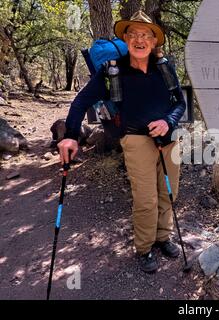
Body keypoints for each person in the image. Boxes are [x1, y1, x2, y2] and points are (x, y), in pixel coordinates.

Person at [57, 11, 186, 274]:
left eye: (146, 35)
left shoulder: (164, 67)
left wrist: (168, 122)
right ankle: (145, 247)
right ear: (126, 38)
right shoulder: (112, 71)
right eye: (134, 34)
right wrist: (71, 134)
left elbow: (180, 102)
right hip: (136, 139)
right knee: (146, 199)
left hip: (169, 138)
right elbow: (81, 100)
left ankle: (163, 237)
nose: (140, 39)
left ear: (154, 40)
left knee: (169, 193)